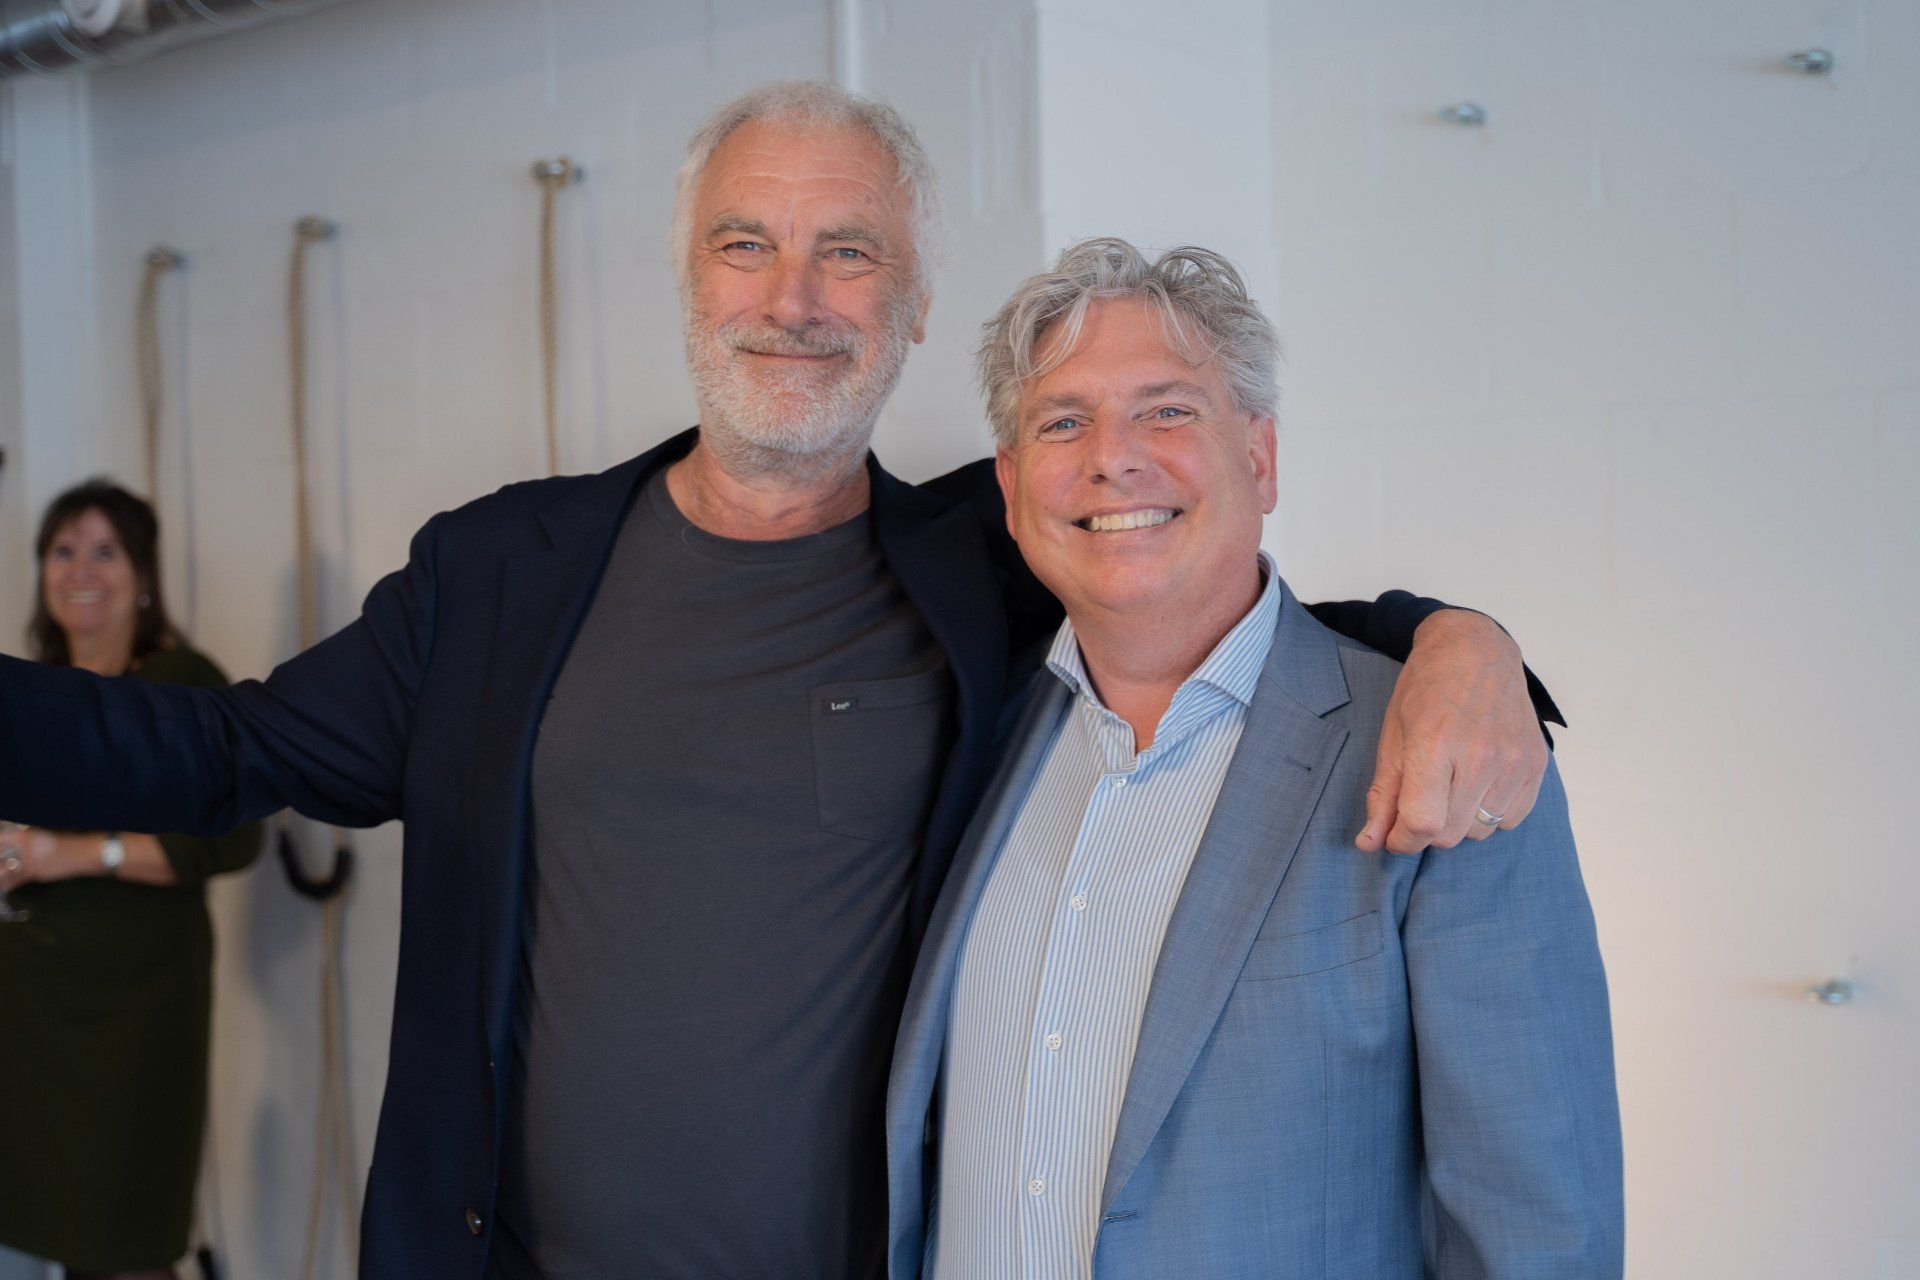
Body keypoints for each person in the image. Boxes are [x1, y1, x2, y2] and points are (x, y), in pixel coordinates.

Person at [0, 84, 1560, 1278]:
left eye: (848, 251)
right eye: (746, 243)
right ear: (690, 277)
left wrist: (1458, 639)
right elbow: (216, 749)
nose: (793, 297)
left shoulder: (985, 564)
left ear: (914, 309)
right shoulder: (500, 576)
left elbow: (1189, 570)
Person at [885, 239, 1621, 1279]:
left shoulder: (1449, 754)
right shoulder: (973, 735)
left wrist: (1469, 637)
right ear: (1011, 489)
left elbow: (1543, 1231)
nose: (1114, 455)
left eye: (1169, 409)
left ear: (1260, 457)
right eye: (1063, 421)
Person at [0, 481, 264, 1280]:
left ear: (143, 575)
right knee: (44, 1234)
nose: (82, 568)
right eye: (64, 549)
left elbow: (231, 838)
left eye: (105, 550)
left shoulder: (181, 683)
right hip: (28, 1016)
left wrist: (68, 853)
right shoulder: (37, 689)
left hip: (130, 1024)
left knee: (124, 1238)